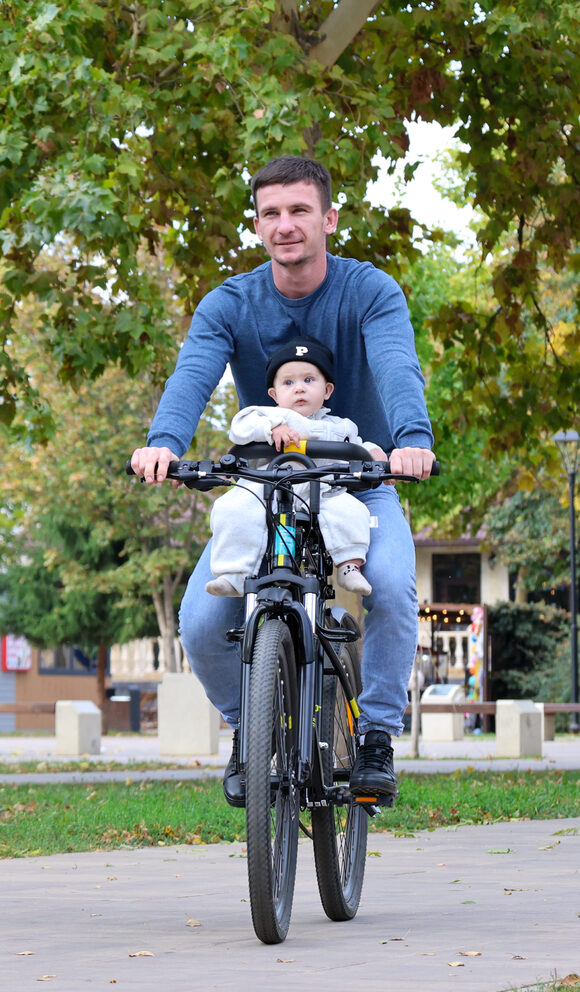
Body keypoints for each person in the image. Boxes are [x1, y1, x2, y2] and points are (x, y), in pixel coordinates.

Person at [129, 155, 436, 807]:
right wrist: (164, 443)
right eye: (271, 213)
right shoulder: (231, 303)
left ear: (328, 217)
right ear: (258, 224)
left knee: (391, 587)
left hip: (360, 482)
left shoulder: (369, 291)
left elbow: (395, 364)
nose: (285, 225)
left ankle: (377, 733)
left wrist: (412, 440)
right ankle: (251, 727)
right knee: (203, 618)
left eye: (299, 210)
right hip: (275, 490)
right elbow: (192, 375)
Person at [207, 336, 378, 599]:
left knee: (352, 510)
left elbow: (358, 447)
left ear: (327, 390)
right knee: (231, 507)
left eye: (309, 380)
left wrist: (374, 454)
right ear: (274, 394)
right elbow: (238, 427)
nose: (299, 388)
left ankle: (349, 564)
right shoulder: (268, 416)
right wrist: (271, 428)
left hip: (322, 491)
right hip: (268, 489)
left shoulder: (341, 426)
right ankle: (234, 573)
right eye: (288, 382)